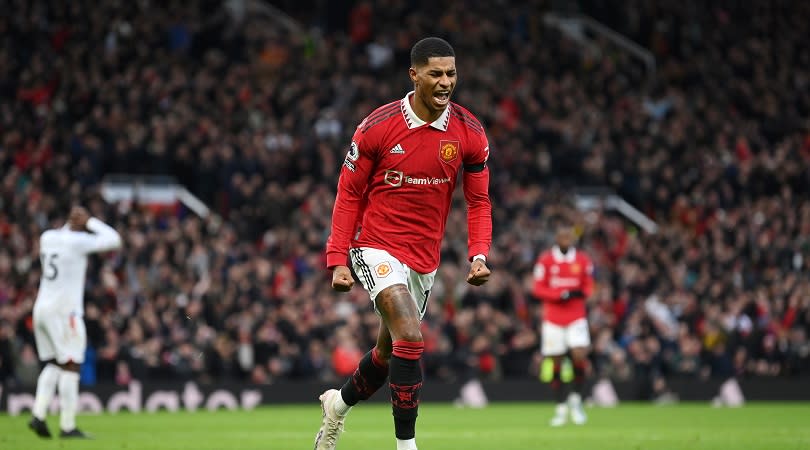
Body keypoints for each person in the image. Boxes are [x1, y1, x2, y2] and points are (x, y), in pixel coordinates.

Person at [315, 37, 493, 450]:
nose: (446, 81)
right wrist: (337, 259)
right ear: (414, 75)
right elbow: (348, 194)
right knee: (411, 336)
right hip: (374, 245)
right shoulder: (377, 126)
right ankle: (406, 446)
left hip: (423, 260)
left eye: (451, 73)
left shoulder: (469, 132)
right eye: (436, 73)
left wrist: (479, 254)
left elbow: (479, 200)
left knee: (388, 353)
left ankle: (337, 407)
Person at [28, 206, 122, 439]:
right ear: (80, 224)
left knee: (53, 363)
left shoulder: (47, 237)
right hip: (64, 312)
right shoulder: (77, 241)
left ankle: (38, 415)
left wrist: (79, 222)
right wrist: (92, 221)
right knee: (71, 364)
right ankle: (67, 426)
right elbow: (114, 240)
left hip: (41, 307)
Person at [532, 223, 594, 426]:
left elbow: (588, 285)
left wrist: (581, 293)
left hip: (576, 316)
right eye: (563, 235)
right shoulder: (546, 260)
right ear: (557, 238)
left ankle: (576, 401)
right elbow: (538, 289)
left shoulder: (582, 260)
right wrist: (560, 294)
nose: (566, 239)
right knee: (556, 361)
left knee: (579, 354)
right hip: (553, 318)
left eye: (569, 235)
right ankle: (560, 408)